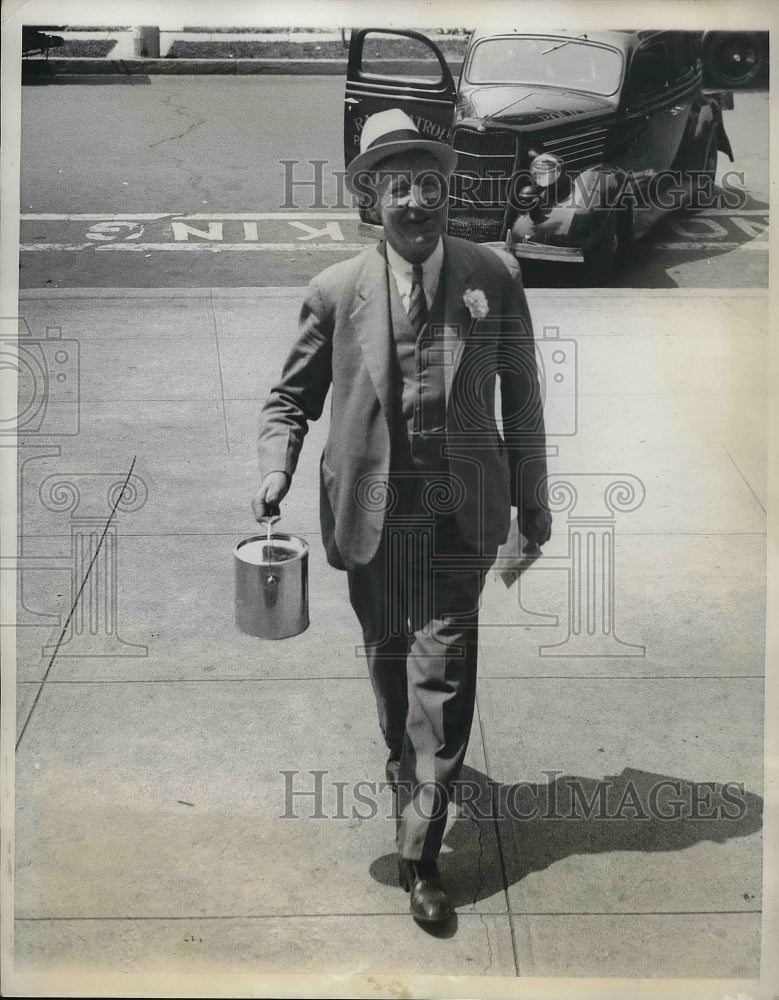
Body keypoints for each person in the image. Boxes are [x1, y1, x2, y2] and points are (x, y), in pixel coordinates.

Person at [252, 109, 551, 925]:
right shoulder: (334, 291)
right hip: (372, 512)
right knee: (391, 666)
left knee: (441, 678)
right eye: (397, 188)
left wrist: (532, 500)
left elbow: (522, 397)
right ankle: (404, 762)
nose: (414, 201)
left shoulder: (493, 275)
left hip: (462, 513)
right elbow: (289, 399)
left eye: (427, 184)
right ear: (372, 200)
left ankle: (421, 854)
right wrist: (276, 468)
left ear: (446, 192)